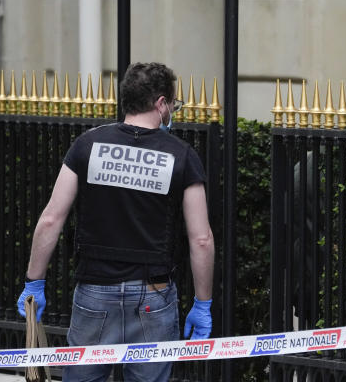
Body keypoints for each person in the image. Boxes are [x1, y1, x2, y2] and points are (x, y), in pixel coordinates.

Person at [16, 62, 215, 382]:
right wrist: (202, 304)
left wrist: (34, 283)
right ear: (161, 103)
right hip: (153, 296)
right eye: (172, 105)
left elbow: (52, 218)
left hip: (95, 292)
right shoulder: (181, 155)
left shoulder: (87, 145)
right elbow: (201, 238)